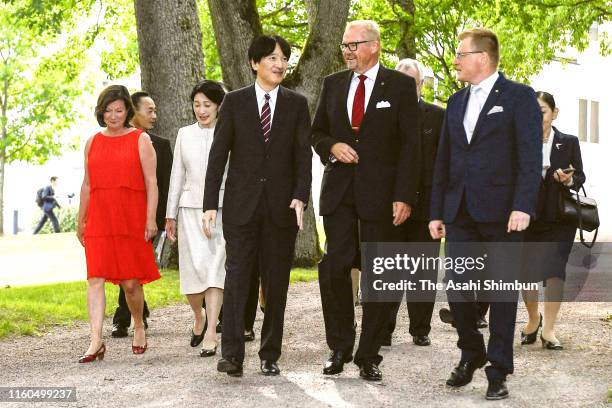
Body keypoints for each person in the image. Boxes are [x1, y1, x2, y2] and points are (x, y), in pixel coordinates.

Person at [429, 28, 541, 400]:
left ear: (483, 57)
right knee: (458, 289)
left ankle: (498, 369)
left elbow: (529, 156)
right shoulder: (456, 101)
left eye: (461, 54)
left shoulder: (519, 97)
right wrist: (437, 211)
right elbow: (443, 160)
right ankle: (471, 351)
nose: (456, 60)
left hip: (503, 214)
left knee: (502, 292)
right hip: (460, 211)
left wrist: (523, 205)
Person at [312, 20, 420, 381]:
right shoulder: (333, 84)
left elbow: (411, 147)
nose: (347, 51)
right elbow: (317, 132)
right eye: (344, 46)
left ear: (373, 46)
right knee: (334, 266)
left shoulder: (401, 86)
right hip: (339, 192)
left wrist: (405, 196)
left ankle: (369, 354)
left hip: (383, 197)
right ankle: (339, 346)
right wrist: (331, 146)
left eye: (353, 45)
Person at [202, 34, 312, 377]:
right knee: (237, 280)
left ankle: (270, 354)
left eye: (283, 59)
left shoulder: (297, 104)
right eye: (272, 58)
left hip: (281, 209)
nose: (279, 64)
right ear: (254, 63)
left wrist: (300, 196)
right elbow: (218, 156)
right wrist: (209, 204)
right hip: (241, 208)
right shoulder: (234, 102)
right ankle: (232, 355)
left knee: (276, 283)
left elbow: (302, 157)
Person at [76, 84, 160, 362]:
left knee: (131, 284)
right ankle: (96, 340)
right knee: (95, 278)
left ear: (128, 111)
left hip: (131, 218)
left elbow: (152, 182)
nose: (113, 116)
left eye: (119, 110)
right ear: (102, 112)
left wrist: (150, 219)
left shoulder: (140, 139)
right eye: (108, 111)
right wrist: (81, 220)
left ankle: (138, 323)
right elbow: (87, 184)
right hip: (99, 218)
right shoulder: (92, 142)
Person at [384, 58, 444, 348]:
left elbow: (445, 164)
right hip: (389, 205)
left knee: (423, 271)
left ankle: (420, 328)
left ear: (421, 85)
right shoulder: (382, 114)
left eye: (412, 82)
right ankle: (383, 328)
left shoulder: (437, 116)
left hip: (426, 207)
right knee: (389, 269)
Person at [165, 80, 227, 357]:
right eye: (197, 105)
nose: (201, 110)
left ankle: (212, 331)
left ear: (218, 106)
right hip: (188, 209)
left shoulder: (229, 132)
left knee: (215, 271)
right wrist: (170, 215)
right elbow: (176, 175)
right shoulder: (184, 134)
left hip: (222, 210)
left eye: (207, 105)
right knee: (192, 275)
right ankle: (198, 316)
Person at [519, 91, 585, 350]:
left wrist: (568, 178)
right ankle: (534, 320)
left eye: (543, 111)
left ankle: (549, 330)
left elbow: (580, 177)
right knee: (526, 273)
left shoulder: (568, 142)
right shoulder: (522, 141)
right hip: (528, 215)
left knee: (555, 272)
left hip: (558, 217)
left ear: (554, 113)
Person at [111, 91, 173, 338]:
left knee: (132, 266)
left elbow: (166, 184)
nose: (154, 116)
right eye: (150, 110)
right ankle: (134, 314)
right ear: (132, 111)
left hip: (149, 219)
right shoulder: (115, 141)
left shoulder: (161, 144)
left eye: (155, 110)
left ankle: (126, 317)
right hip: (122, 215)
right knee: (128, 266)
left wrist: (162, 219)